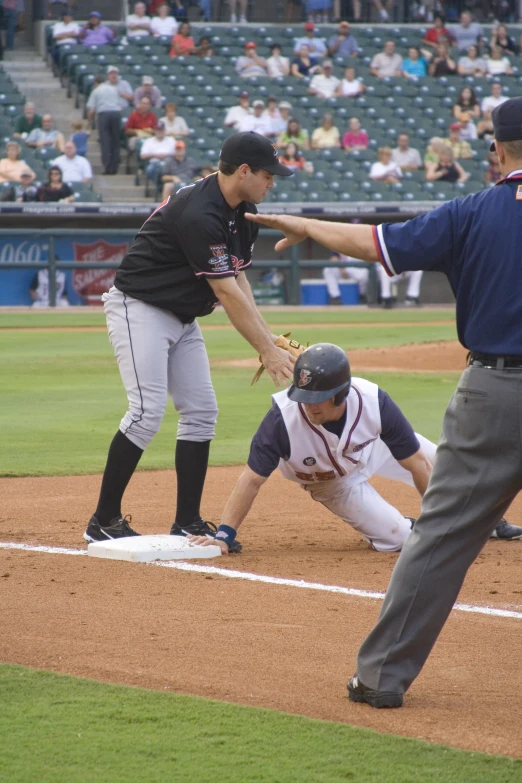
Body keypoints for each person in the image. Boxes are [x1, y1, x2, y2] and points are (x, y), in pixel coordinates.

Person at [244, 96, 522, 708]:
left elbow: (376, 243)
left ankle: (380, 679)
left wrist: (307, 225)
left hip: (496, 393)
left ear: (497, 152)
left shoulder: (473, 212)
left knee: (442, 538)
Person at [82, 132, 295, 547]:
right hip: (139, 307)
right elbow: (226, 292)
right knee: (145, 413)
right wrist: (265, 350)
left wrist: (268, 336)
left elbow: (238, 277)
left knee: (201, 411)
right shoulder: (199, 212)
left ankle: (188, 521)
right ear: (244, 171)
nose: (274, 182)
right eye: (268, 175)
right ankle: (103, 519)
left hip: (182, 317)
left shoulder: (242, 210)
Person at [189, 344, 522, 555]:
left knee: (444, 461)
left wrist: (437, 517)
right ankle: (409, 525)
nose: (308, 407)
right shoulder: (281, 419)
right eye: (304, 397)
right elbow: (251, 480)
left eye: (317, 399)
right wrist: (224, 534)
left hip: (373, 447)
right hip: (331, 482)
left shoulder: (374, 402)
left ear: (342, 394)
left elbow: (417, 465)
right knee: (399, 540)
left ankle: (487, 520)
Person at [86, 73, 122, 175]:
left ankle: (107, 167)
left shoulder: (96, 91)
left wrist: (89, 124)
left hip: (104, 114)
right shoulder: (113, 89)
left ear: (95, 83)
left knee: (105, 141)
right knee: (115, 141)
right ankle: (114, 168)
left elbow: (92, 110)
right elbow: (120, 104)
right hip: (116, 113)